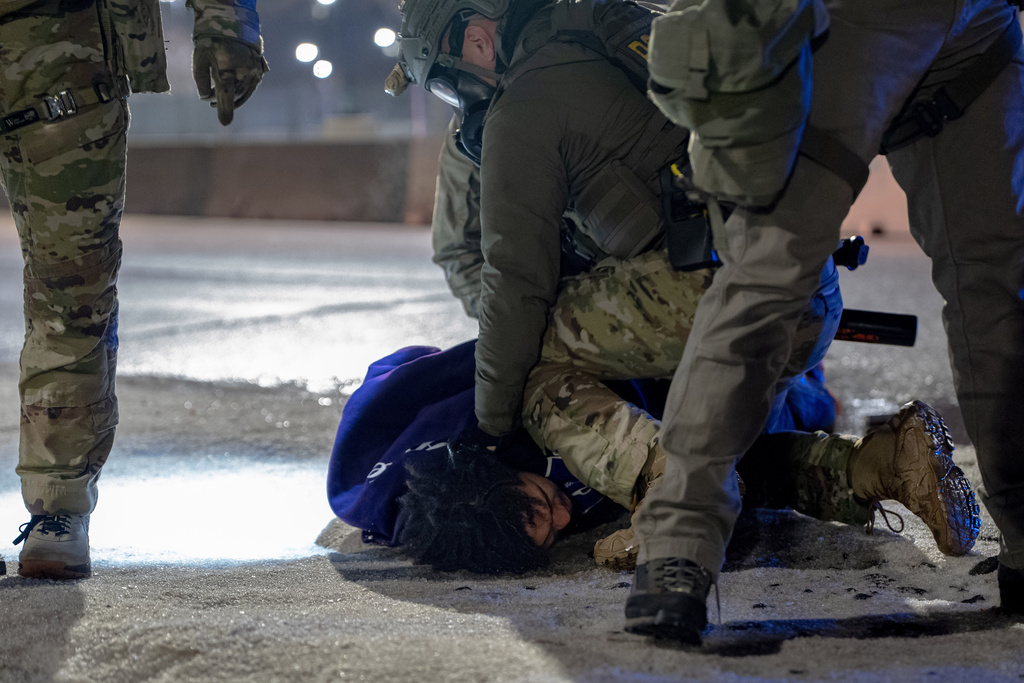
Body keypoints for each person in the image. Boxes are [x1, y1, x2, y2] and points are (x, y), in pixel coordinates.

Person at [623, 0, 1024, 642]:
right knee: (987, 286)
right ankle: (679, 548)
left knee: (774, 274)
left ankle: (678, 550)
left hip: (932, 24)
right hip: (917, 22)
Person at [1, 0, 268, 580]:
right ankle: (59, 509)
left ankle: (58, 509)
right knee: (69, 302)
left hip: (64, 59)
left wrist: (228, 21)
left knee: (71, 296)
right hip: (66, 61)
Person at [327, 340, 979, 574]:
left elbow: (409, 367)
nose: (559, 519)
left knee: (746, 432)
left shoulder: (448, 430)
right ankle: (891, 466)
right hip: (688, 432)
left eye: (537, 504)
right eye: (548, 535)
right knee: (743, 473)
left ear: (486, 468)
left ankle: (681, 484)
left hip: (652, 371)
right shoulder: (493, 524)